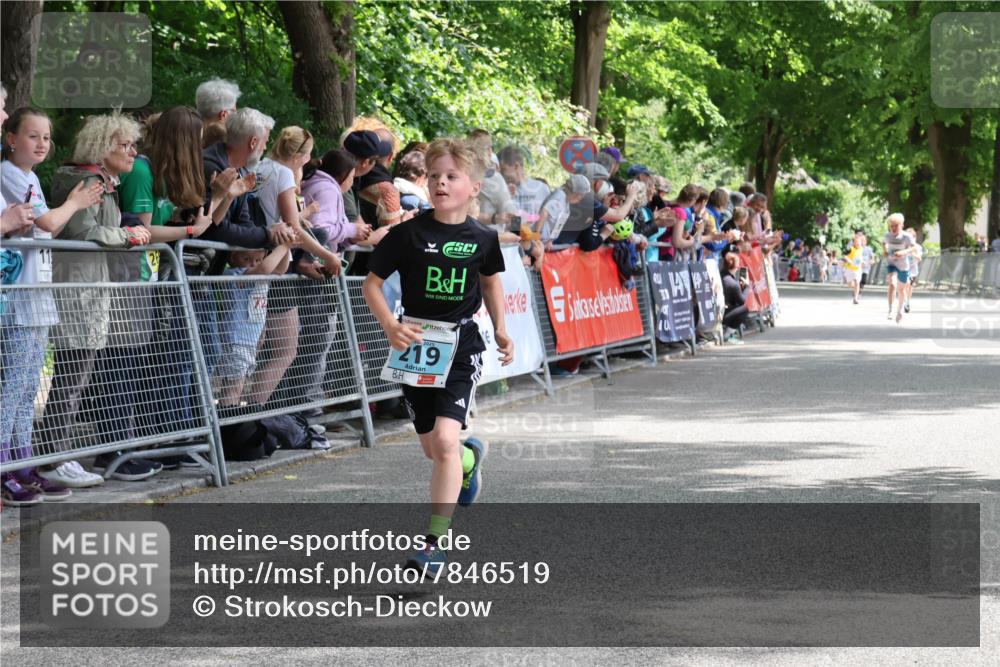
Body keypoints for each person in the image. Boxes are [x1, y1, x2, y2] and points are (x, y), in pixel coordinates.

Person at [362, 137, 513, 572]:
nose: (441, 183)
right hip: (416, 346)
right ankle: (469, 459)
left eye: (451, 177)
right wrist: (391, 324)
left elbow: (490, 283)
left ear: (474, 187)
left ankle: (434, 543)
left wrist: (501, 328)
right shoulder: (408, 233)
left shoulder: (483, 236)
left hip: (461, 345)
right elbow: (371, 284)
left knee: (445, 440)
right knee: (435, 449)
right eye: (434, 177)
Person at [37, 112, 162, 484]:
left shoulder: (98, 181)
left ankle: (57, 454)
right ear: (103, 147)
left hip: (87, 287)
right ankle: (53, 456)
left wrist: (124, 232)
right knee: (72, 374)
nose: (132, 151)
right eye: (125, 145)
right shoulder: (88, 181)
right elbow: (86, 231)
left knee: (76, 374)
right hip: (79, 289)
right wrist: (130, 236)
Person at [1, 105, 105, 501]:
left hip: (40, 290)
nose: (42, 143)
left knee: (29, 388)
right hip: (20, 292)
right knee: (13, 385)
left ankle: (23, 461)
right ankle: (5, 464)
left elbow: (49, 222)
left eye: (46, 137)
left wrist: (65, 210)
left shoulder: (31, 178)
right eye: (32, 135)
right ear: (12, 139)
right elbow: (49, 223)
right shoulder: (8, 174)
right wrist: (76, 202)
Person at [246, 126, 341, 409]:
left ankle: (240, 411)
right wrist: (328, 256)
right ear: (299, 154)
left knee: (254, 347)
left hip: (258, 260)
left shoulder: (261, 167)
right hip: (277, 265)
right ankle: (254, 411)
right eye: (308, 155)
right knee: (284, 350)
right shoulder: (284, 173)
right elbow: (294, 229)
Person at [215, 246, 291, 412]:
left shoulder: (260, 273)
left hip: (251, 339)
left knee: (240, 384)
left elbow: (280, 268)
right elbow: (264, 269)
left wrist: (286, 248)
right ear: (233, 257)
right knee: (233, 385)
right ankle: (227, 419)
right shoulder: (234, 274)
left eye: (257, 260)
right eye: (246, 259)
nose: (252, 265)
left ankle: (232, 418)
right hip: (235, 339)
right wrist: (285, 245)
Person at [301, 148, 370, 251]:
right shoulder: (328, 191)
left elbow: (330, 237)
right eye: (351, 177)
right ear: (343, 176)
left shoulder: (317, 182)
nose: (352, 182)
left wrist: (351, 239)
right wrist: (351, 230)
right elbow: (320, 231)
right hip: (310, 257)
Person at [883, 213, 917, 322]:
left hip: (903, 265)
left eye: (895, 225)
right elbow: (884, 245)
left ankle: (900, 310)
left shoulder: (907, 236)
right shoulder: (887, 235)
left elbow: (913, 248)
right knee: (892, 284)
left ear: (901, 225)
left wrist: (903, 252)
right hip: (891, 263)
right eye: (891, 226)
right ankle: (891, 309)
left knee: (901, 289)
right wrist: (885, 251)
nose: (893, 228)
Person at [195, 78, 241, 148]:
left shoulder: (184, 136)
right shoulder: (225, 147)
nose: (235, 115)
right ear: (223, 115)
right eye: (234, 111)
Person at [720, 253, 751, 342]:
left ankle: (727, 332)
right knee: (745, 309)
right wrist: (746, 287)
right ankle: (728, 334)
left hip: (718, 311)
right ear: (735, 266)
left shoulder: (721, 275)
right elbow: (742, 301)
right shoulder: (732, 284)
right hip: (723, 314)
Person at [902, 227, 923, 313]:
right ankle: (905, 301)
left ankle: (907, 302)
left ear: (914, 238)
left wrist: (913, 253)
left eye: (912, 237)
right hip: (904, 268)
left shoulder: (917, 247)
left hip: (913, 270)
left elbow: (919, 258)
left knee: (909, 287)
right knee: (906, 284)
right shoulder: (903, 246)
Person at [842, 233, 865, 304]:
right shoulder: (850, 249)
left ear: (861, 243)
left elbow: (860, 257)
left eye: (859, 242)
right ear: (853, 242)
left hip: (857, 269)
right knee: (850, 284)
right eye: (856, 242)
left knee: (857, 282)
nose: (858, 243)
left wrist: (863, 262)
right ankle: (855, 288)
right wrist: (848, 260)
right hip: (849, 268)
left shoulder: (861, 249)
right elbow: (844, 256)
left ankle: (855, 298)